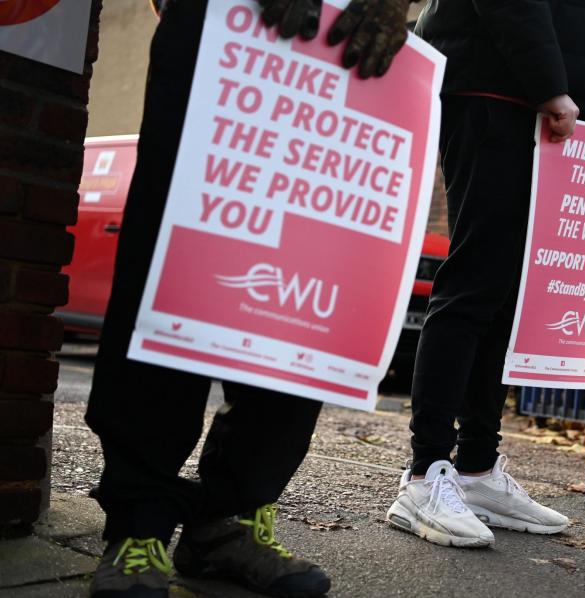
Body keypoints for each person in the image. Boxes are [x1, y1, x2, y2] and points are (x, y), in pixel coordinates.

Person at [85, 1, 410, 596]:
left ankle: (230, 521)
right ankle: (138, 523)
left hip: (345, 43)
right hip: (222, 23)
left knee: (307, 283)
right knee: (173, 267)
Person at [386, 0, 585, 548]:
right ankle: (424, 474)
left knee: (506, 293)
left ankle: (478, 469)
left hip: (525, 98)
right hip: (495, 91)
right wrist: (551, 86)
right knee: (473, 286)